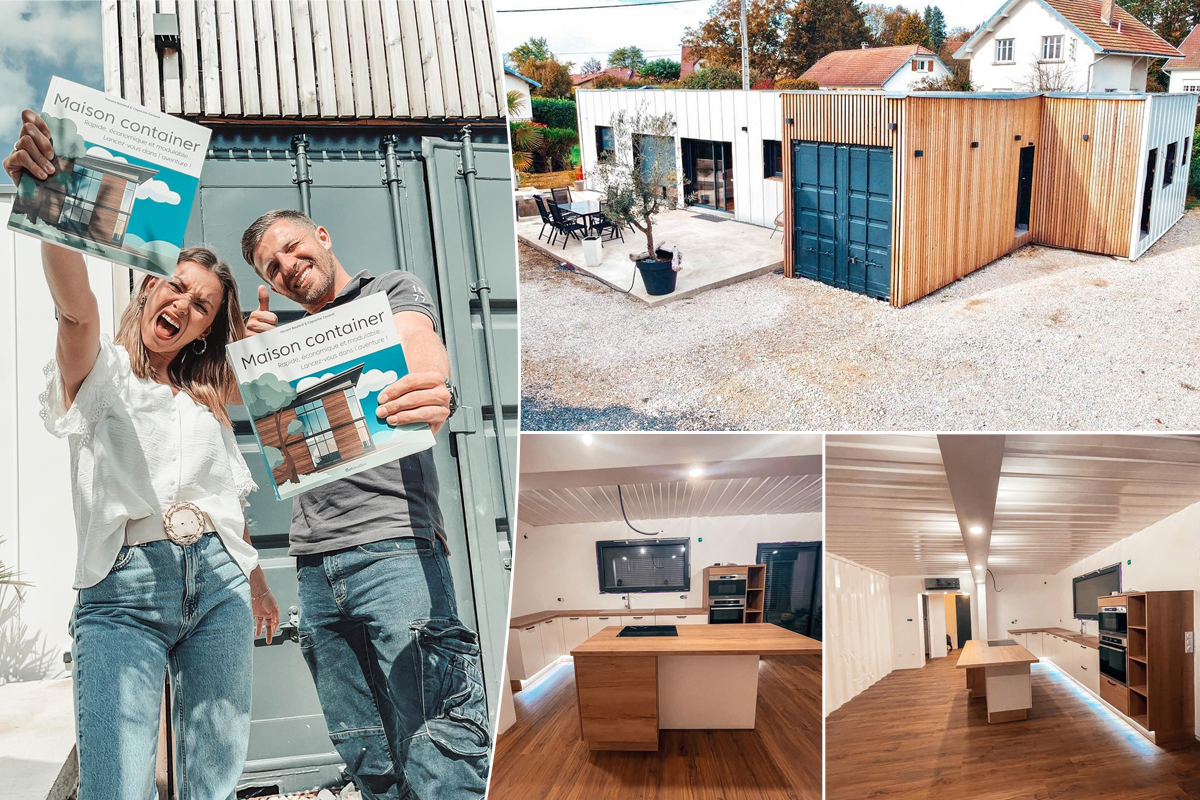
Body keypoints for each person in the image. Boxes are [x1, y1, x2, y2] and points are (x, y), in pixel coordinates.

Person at [5, 110, 280, 800]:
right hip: (123, 589)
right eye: (177, 287)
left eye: (204, 306)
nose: (184, 305)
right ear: (151, 286)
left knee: (210, 781)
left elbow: (230, 500)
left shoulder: (205, 399)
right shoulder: (99, 374)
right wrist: (45, 202)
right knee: (118, 786)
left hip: (220, 585)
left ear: (206, 328)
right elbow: (74, 311)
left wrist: (257, 581)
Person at [240, 209, 490, 799]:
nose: (288, 268)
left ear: (322, 235)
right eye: (273, 268)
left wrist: (432, 388)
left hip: (394, 547)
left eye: (294, 249)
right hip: (313, 564)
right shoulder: (281, 341)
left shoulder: (389, 291)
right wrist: (260, 363)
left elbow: (416, 342)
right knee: (363, 744)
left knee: (437, 737)